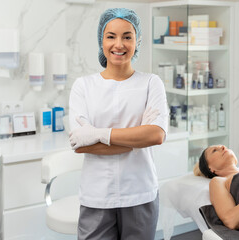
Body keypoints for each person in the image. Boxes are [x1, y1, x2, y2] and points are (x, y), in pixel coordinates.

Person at [68, 8, 168, 240]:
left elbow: (155, 136)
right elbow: (80, 144)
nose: (119, 44)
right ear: (101, 41)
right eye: (111, 36)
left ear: (137, 41)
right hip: (97, 194)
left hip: (140, 192)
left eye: (127, 36)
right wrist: (132, 140)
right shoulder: (83, 86)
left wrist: (97, 133)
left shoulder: (151, 83)